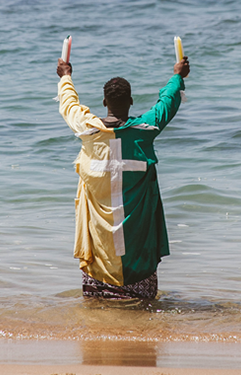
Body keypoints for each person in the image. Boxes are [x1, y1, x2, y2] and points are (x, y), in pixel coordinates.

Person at [56, 54, 190, 300]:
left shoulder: (88, 130)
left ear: (104, 101)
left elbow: (69, 105)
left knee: (97, 311)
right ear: (130, 101)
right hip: (137, 240)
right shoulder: (145, 130)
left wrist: (66, 76)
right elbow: (167, 103)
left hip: (100, 242)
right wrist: (177, 76)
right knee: (143, 311)